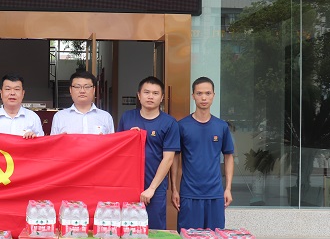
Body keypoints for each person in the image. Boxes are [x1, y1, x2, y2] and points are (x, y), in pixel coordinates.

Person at [171, 76, 235, 230]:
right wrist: (174, 189)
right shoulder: (182, 126)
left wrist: (228, 188)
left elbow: (228, 157)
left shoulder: (221, 126)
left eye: (208, 93)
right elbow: (174, 159)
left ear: (213, 95)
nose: (204, 97)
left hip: (215, 194)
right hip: (189, 193)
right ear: (193, 96)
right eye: (199, 93)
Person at [118, 76, 180, 230]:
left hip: (155, 187)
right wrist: (129, 137)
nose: (150, 96)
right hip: (128, 185)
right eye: (146, 92)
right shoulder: (127, 118)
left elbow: (168, 159)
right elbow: (117, 151)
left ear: (162, 98)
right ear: (139, 95)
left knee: (154, 230)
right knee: (128, 229)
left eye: (155, 93)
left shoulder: (169, 123)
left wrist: (151, 188)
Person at [0, 73, 44, 138]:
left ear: (23, 93)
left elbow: (41, 143)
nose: (12, 93)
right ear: (1, 93)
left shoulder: (33, 117)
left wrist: (34, 138)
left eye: (17, 89)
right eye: (8, 89)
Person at [50, 70, 114, 135]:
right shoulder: (59, 117)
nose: (82, 91)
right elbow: (53, 141)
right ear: (70, 90)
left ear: (94, 90)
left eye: (87, 87)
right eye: (77, 87)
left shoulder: (105, 117)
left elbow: (112, 141)